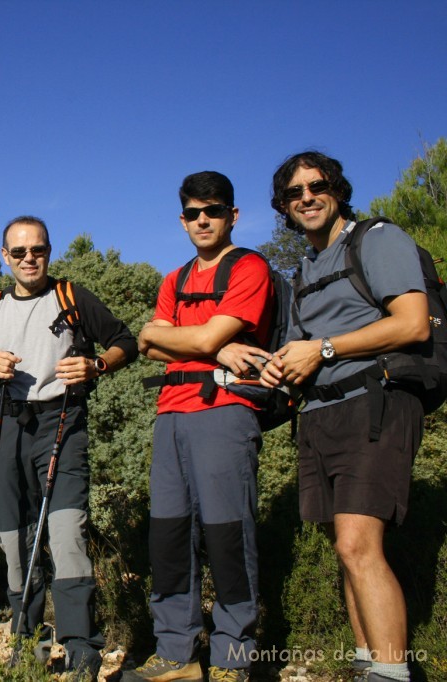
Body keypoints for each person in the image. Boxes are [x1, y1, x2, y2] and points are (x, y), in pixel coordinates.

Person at [260, 152, 428, 682]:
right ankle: (367, 666)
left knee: (359, 544)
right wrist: (279, 368)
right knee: (345, 549)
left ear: (337, 189)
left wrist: (324, 349)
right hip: (322, 414)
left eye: (317, 185)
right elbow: (299, 352)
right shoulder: (303, 270)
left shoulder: (377, 240)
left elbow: (413, 323)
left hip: (375, 402)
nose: (306, 197)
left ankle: (392, 673)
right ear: (284, 207)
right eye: (294, 193)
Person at [0, 216, 137, 678]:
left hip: (63, 422)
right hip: (9, 425)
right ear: (5, 257)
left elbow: (125, 341)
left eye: (36, 250)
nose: (28, 259)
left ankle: (82, 649)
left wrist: (95, 365)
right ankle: (30, 645)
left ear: (48, 251)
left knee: (66, 534)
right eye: (18, 252)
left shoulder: (71, 296)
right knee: (13, 541)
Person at [131, 172, 274, 682]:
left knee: (227, 534)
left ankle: (235, 657)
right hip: (170, 413)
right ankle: (176, 654)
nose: (202, 220)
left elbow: (187, 335)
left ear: (233, 215)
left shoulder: (249, 267)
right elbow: (147, 340)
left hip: (225, 411)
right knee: (168, 536)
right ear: (182, 219)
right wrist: (213, 344)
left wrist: (193, 339)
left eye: (212, 210)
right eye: (193, 213)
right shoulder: (174, 279)